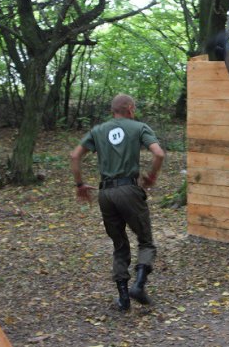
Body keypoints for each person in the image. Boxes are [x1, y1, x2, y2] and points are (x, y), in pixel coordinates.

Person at [70, 94, 165, 311]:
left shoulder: (97, 130)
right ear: (130, 108)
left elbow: (75, 156)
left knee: (119, 244)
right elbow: (158, 154)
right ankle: (139, 286)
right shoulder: (139, 127)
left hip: (106, 193)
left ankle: (123, 299)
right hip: (129, 190)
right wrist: (151, 177)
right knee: (145, 241)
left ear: (114, 111)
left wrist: (80, 185)